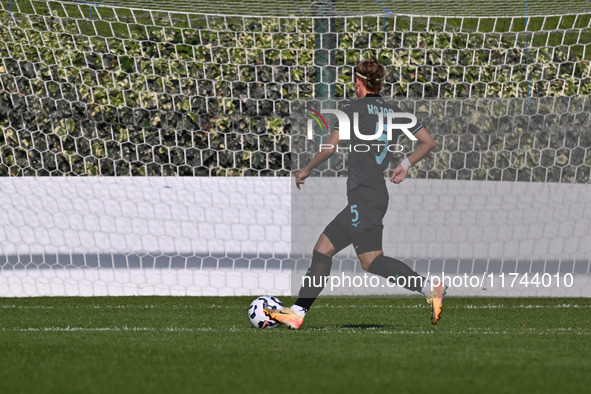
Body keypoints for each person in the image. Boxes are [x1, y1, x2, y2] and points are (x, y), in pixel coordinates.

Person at [265, 58, 446, 329]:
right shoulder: (394, 111)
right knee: (322, 249)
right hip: (372, 193)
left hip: (364, 194)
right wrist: (405, 164)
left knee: (371, 260)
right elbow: (428, 142)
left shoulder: (351, 109)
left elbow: (329, 148)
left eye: (354, 82)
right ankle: (297, 313)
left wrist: (306, 170)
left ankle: (430, 289)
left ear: (358, 83)